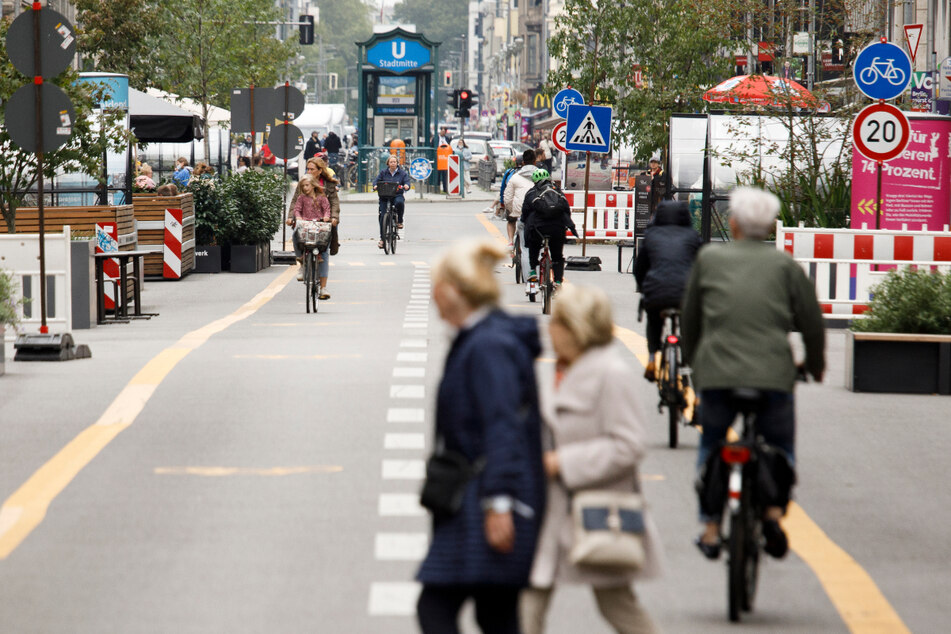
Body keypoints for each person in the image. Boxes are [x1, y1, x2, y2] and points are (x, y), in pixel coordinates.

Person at [681, 186, 825, 561]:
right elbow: (811, 322)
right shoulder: (785, 266)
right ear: (772, 226)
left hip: (717, 373)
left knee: (712, 443)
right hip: (773, 374)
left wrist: (694, 362)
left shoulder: (709, 259)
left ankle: (711, 527)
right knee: (780, 445)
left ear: (733, 223)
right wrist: (813, 366)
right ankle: (774, 513)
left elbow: (691, 319)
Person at [417, 238, 546, 634]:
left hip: (489, 496)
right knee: (496, 614)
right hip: (492, 493)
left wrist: (499, 503)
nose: (433, 294)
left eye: (436, 284)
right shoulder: (486, 337)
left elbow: (502, 422)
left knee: (437, 608)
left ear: (453, 291)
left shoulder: (487, 345)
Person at [521, 283, 661, 634]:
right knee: (528, 605)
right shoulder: (560, 369)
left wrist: (563, 462)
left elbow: (629, 445)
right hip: (553, 511)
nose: (550, 329)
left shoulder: (610, 374)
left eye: (557, 323)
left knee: (619, 607)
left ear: (575, 328)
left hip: (598, 511)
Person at [633, 200, 702, 381]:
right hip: (686, 294)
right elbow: (702, 265)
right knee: (691, 326)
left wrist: (642, 288)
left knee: (654, 320)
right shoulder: (692, 236)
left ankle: (651, 358)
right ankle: (691, 363)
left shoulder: (651, 235)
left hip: (657, 290)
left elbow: (640, 268)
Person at [523, 168, 578, 287]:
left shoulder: (532, 192)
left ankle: (533, 270)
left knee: (534, 245)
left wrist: (524, 222)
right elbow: (566, 210)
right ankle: (558, 281)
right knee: (557, 255)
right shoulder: (557, 192)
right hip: (557, 228)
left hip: (538, 228)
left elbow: (525, 212)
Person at [286, 175, 332, 289]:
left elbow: (327, 209)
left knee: (323, 239)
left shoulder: (321, 197)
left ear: (313, 185)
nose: (305, 188)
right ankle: (300, 256)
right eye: (303, 186)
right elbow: (297, 209)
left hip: (318, 224)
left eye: (307, 185)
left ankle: (319, 256)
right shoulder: (301, 198)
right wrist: (298, 218)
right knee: (295, 233)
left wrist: (326, 217)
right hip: (305, 225)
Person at [504, 149, 537, 292]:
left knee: (524, 249)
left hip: (520, 213)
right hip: (539, 214)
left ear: (522, 162)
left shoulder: (515, 177)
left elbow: (507, 198)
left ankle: (530, 282)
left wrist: (512, 211)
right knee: (539, 248)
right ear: (535, 162)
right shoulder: (542, 175)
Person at [372, 155, 410, 249]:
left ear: (397, 163)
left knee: (400, 203)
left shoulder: (402, 173)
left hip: (397, 194)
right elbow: (376, 181)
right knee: (382, 215)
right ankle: (382, 239)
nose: (393, 163)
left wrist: (406, 186)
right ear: (388, 163)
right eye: (391, 162)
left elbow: (407, 182)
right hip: (385, 195)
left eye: (394, 162)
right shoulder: (383, 173)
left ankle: (399, 220)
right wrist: (375, 186)